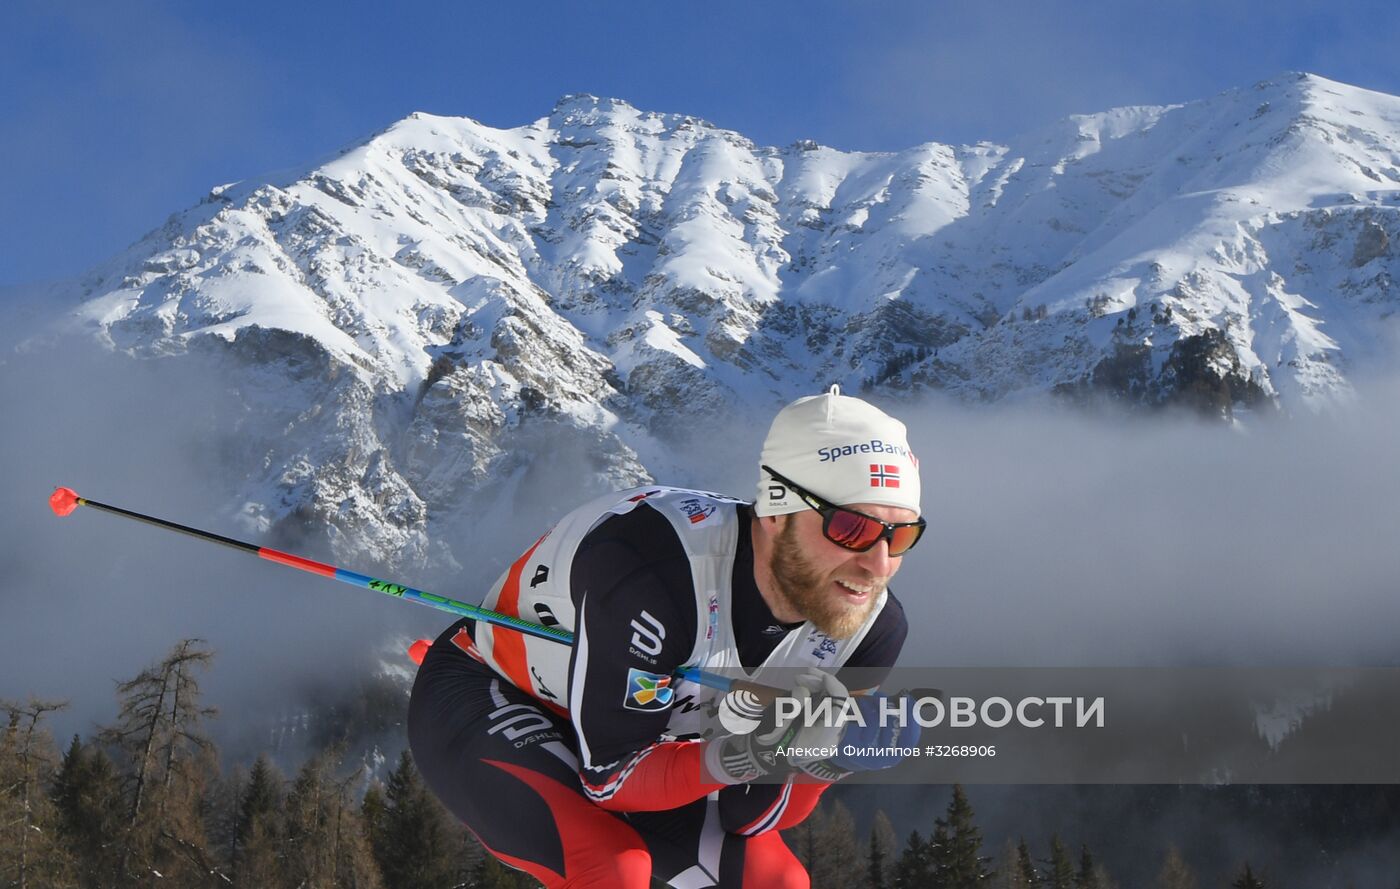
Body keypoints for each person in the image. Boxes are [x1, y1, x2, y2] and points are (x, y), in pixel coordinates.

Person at [408, 386, 925, 888]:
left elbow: (748, 816)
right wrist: (755, 750)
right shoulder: (657, 573)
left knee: (777, 881)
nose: (878, 565)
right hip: (495, 688)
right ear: (775, 512)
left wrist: (820, 760)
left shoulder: (871, 628)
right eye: (851, 529)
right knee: (612, 869)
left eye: (900, 535)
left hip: (644, 738)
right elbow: (611, 779)